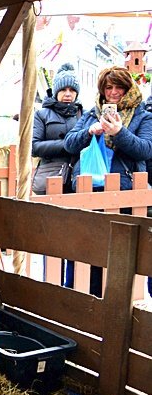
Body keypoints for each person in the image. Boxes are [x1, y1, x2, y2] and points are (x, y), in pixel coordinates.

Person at [64, 66, 152, 297]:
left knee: (121, 252)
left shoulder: (143, 116)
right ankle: (84, 297)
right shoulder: (92, 114)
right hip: (89, 190)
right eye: (108, 87)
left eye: (119, 87)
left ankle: (116, 299)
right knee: (87, 246)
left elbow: (145, 150)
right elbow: (69, 144)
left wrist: (119, 132)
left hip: (125, 193)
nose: (113, 92)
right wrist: (89, 132)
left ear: (128, 89)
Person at [32, 63, 84, 196]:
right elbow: (34, 147)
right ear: (56, 92)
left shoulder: (84, 114)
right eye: (63, 90)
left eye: (72, 90)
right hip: (51, 174)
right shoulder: (41, 114)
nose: (68, 94)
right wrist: (67, 145)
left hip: (79, 177)